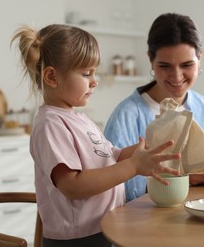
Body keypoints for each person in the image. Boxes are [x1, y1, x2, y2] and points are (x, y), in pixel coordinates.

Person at [11, 24, 181, 247]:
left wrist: (147, 149)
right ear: (51, 77)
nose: (95, 81)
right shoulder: (50, 125)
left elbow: (112, 156)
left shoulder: (80, 119)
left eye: (94, 72)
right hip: (78, 239)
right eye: (86, 73)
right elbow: (72, 186)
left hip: (103, 227)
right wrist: (133, 167)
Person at [104, 13, 204, 203]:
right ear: (151, 60)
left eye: (187, 65)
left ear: (200, 58)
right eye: (165, 66)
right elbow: (114, 186)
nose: (177, 77)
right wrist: (186, 178)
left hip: (201, 214)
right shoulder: (127, 116)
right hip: (144, 223)